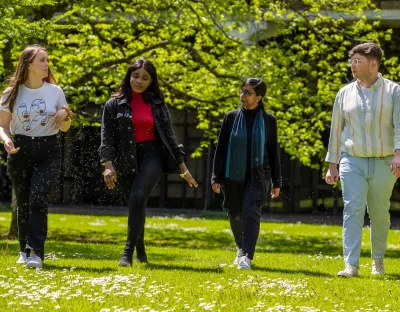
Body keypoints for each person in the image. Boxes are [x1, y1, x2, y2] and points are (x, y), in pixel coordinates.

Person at [99, 58, 198, 267]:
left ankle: (127, 253)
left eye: (145, 78)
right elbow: (106, 136)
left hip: (152, 156)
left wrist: (183, 168)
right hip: (124, 158)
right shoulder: (113, 104)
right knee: (136, 204)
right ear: (129, 76)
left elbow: (170, 137)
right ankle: (141, 250)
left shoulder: (157, 105)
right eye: (136, 76)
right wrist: (108, 165)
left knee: (138, 197)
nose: (139, 81)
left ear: (151, 81)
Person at [325, 42, 400, 277]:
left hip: (384, 160)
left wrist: (399, 154)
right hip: (352, 159)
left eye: (357, 61)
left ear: (373, 63)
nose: (352, 66)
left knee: (379, 213)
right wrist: (332, 164)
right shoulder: (344, 93)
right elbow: (336, 130)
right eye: (352, 61)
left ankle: (378, 261)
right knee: (353, 209)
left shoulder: (394, 91)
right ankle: (351, 265)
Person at [0, 44, 73, 269]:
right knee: (23, 202)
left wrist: (65, 113)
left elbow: (66, 128)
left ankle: (36, 253)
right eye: (42, 60)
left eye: (47, 60)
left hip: (48, 151)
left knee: (38, 197)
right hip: (20, 150)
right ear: (29, 64)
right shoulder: (10, 93)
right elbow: (2, 125)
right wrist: (6, 139)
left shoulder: (55, 91)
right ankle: (23, 250)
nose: (46, 64)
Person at [211, 78, 281, 270]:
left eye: (248, 92)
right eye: (241, 91)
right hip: (232, 173)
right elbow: (221, 149)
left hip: (259, 174)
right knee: (234, 213)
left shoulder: (269, 120)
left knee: (251, 212)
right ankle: (241, 248)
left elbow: (274, 152)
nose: (243, 95)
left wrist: (277, 181)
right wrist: (215, 177)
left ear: (259, 97)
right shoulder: (231, 117)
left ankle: (246, 257)